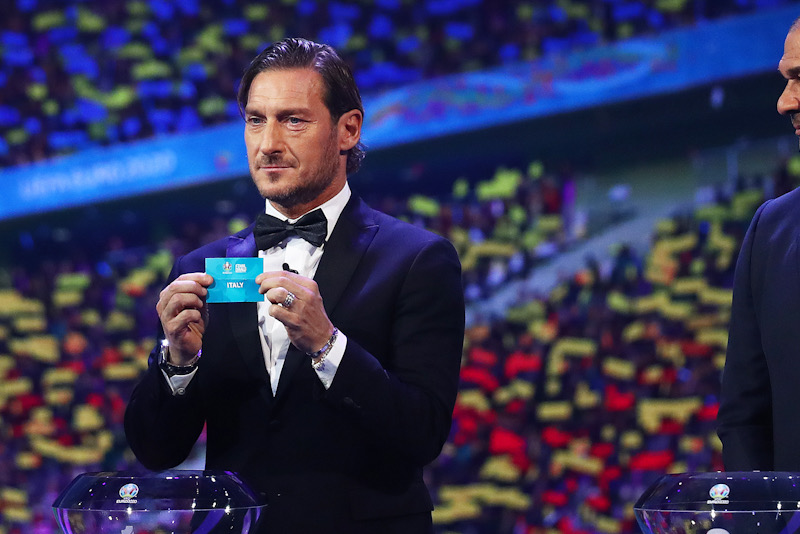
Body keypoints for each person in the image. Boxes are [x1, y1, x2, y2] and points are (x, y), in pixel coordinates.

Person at [124, 38, 465, 533]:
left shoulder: (417, 259)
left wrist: (328, 346)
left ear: (348, 129)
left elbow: (422, 433)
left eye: (293, 120)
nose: (268, 143)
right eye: (255, 120)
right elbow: (156, 449)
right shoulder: (199, 268)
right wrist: (179, 362)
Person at [717, 17, 800, 471]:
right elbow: (744, 418)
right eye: (786, 80)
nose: (784, 102)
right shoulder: (771, 231)